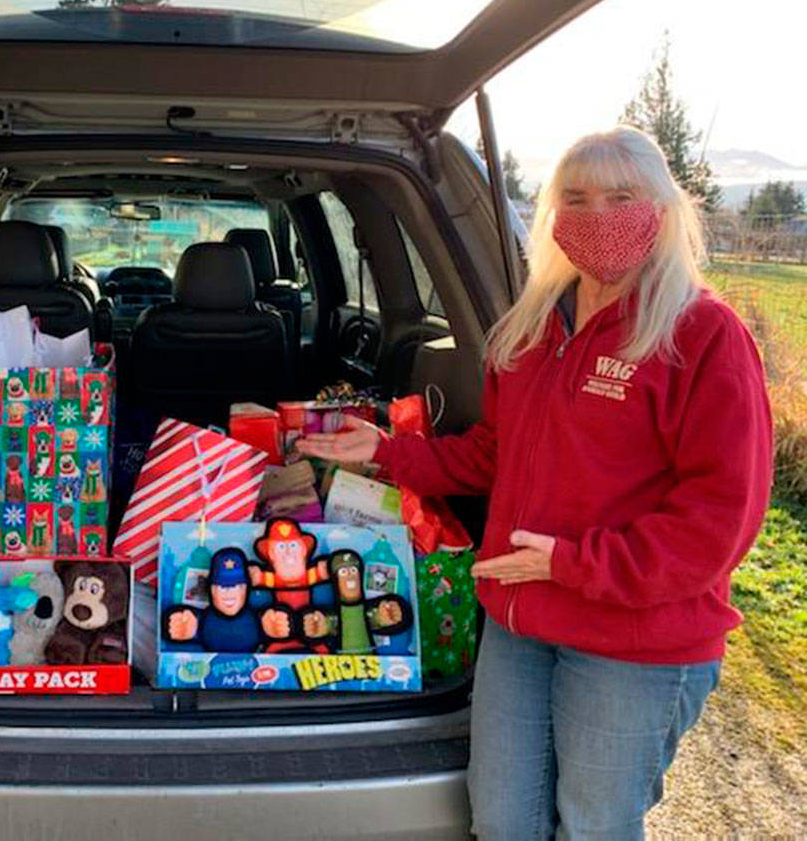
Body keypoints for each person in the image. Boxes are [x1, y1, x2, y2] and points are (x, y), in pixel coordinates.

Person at [297, 126, 772, 840]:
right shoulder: (532, 328)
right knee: (502, 824)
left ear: (664, 213)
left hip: (631, 644)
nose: (597, 216)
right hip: (520, 626)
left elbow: (718, 523)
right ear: (553, 216)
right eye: (575, 198)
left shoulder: (702, 333)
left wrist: (575, 564)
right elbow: (495, 454)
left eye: (621, 198)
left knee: (593, 829)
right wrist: (388, 454)